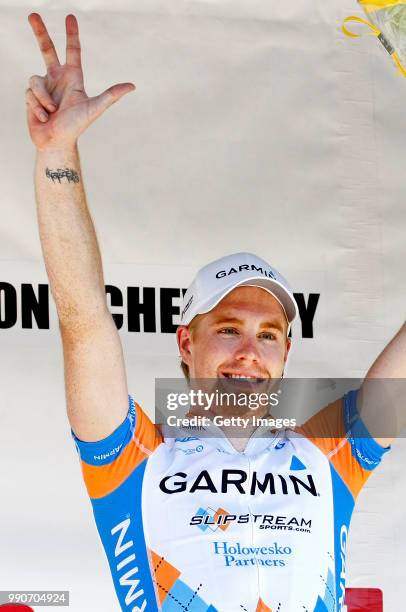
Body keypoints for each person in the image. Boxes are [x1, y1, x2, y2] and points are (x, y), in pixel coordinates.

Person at [26, 13, 405, 612]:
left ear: (286, 356)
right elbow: (83, 320)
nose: (251, 352)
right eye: (228, 330)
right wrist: (57, 154)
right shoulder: (134, 462)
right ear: (185, 342)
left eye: (270, 334)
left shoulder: (327, 455)